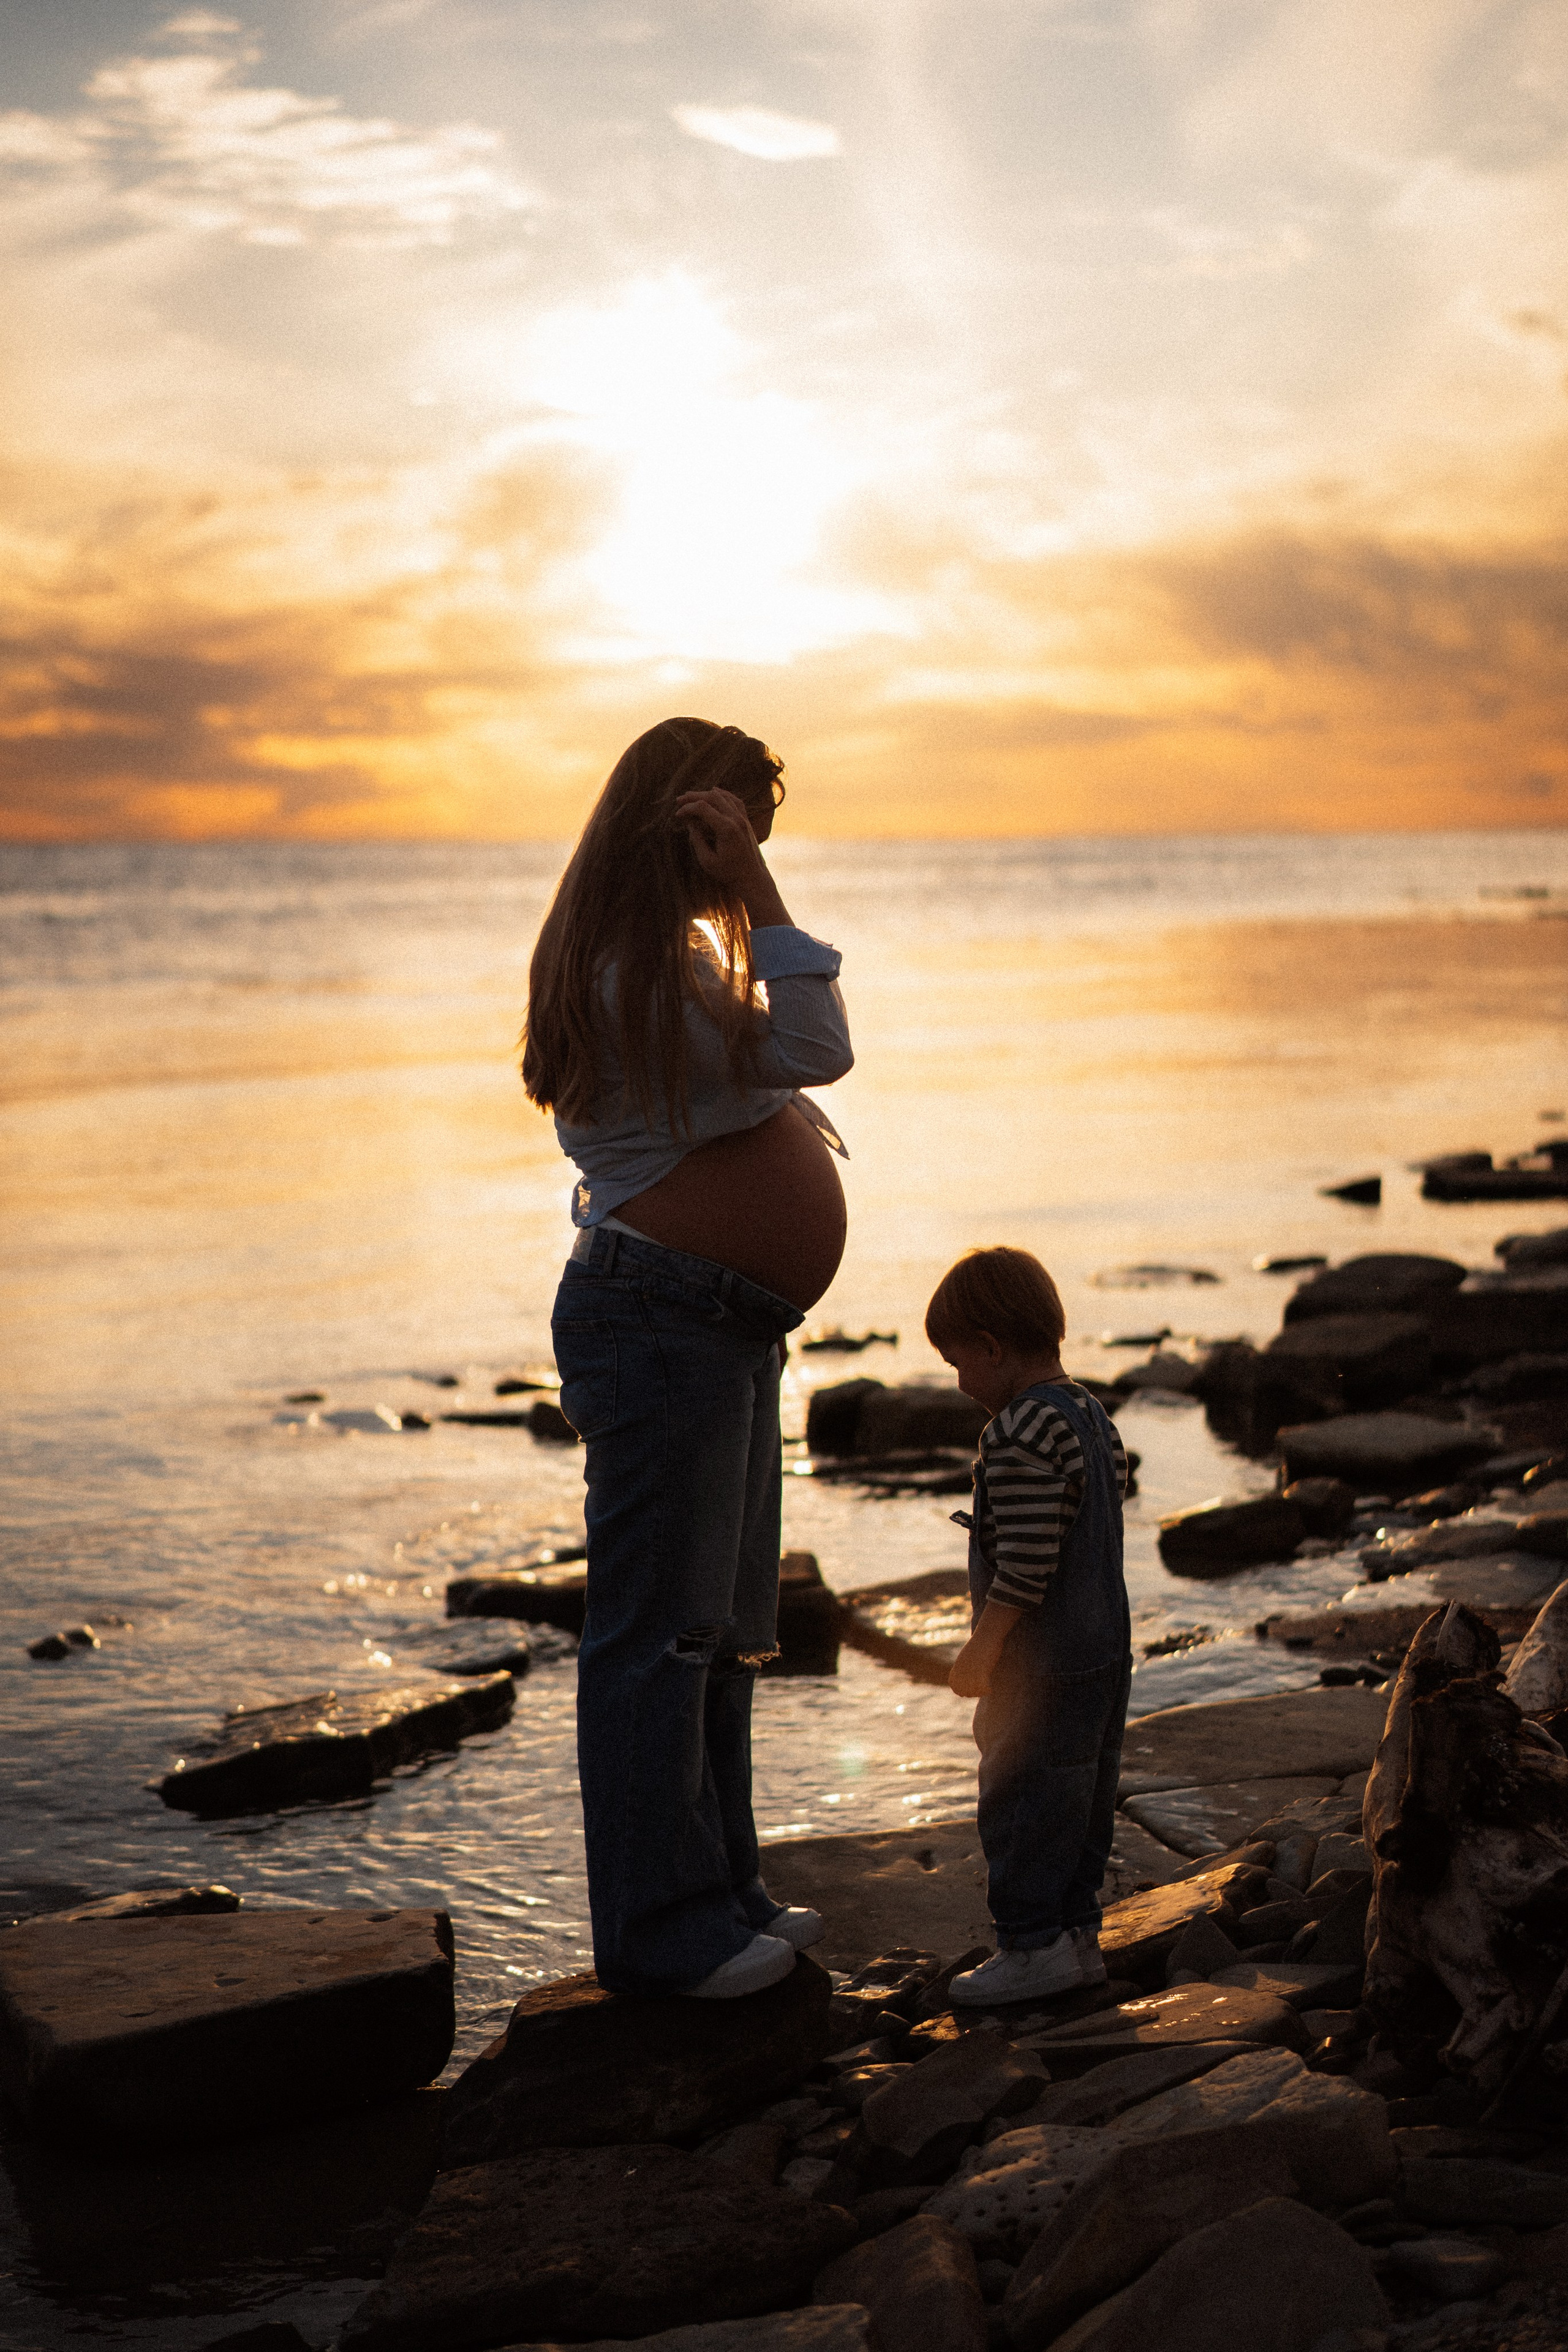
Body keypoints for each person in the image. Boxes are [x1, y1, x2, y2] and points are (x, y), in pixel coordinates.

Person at [521, 717, 854, 2000]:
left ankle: (720, 1895)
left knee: (710, 1632)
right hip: (662, 1322)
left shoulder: (654, 959)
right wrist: (762, 895)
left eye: (757, 846)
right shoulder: (636, 974)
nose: (744, 867)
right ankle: (664, 1938)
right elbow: (818, 1050)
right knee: (658, 1635)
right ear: (679, 828)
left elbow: (789, 1061)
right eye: (730, 840)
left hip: (700, 1321)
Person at [924, 1245, 1131, 2004]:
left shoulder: (1015, 1432)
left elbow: (1028, 1559)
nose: (958, 1382)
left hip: (1040, 1663)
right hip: (1105, 1646)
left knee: (1021, 1795)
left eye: (956, 1363)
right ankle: (1078, 1936)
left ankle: (1031, 1944)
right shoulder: (1088, 1412)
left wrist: (983, 1646)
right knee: (1082, 1792)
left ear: (990, 1348)